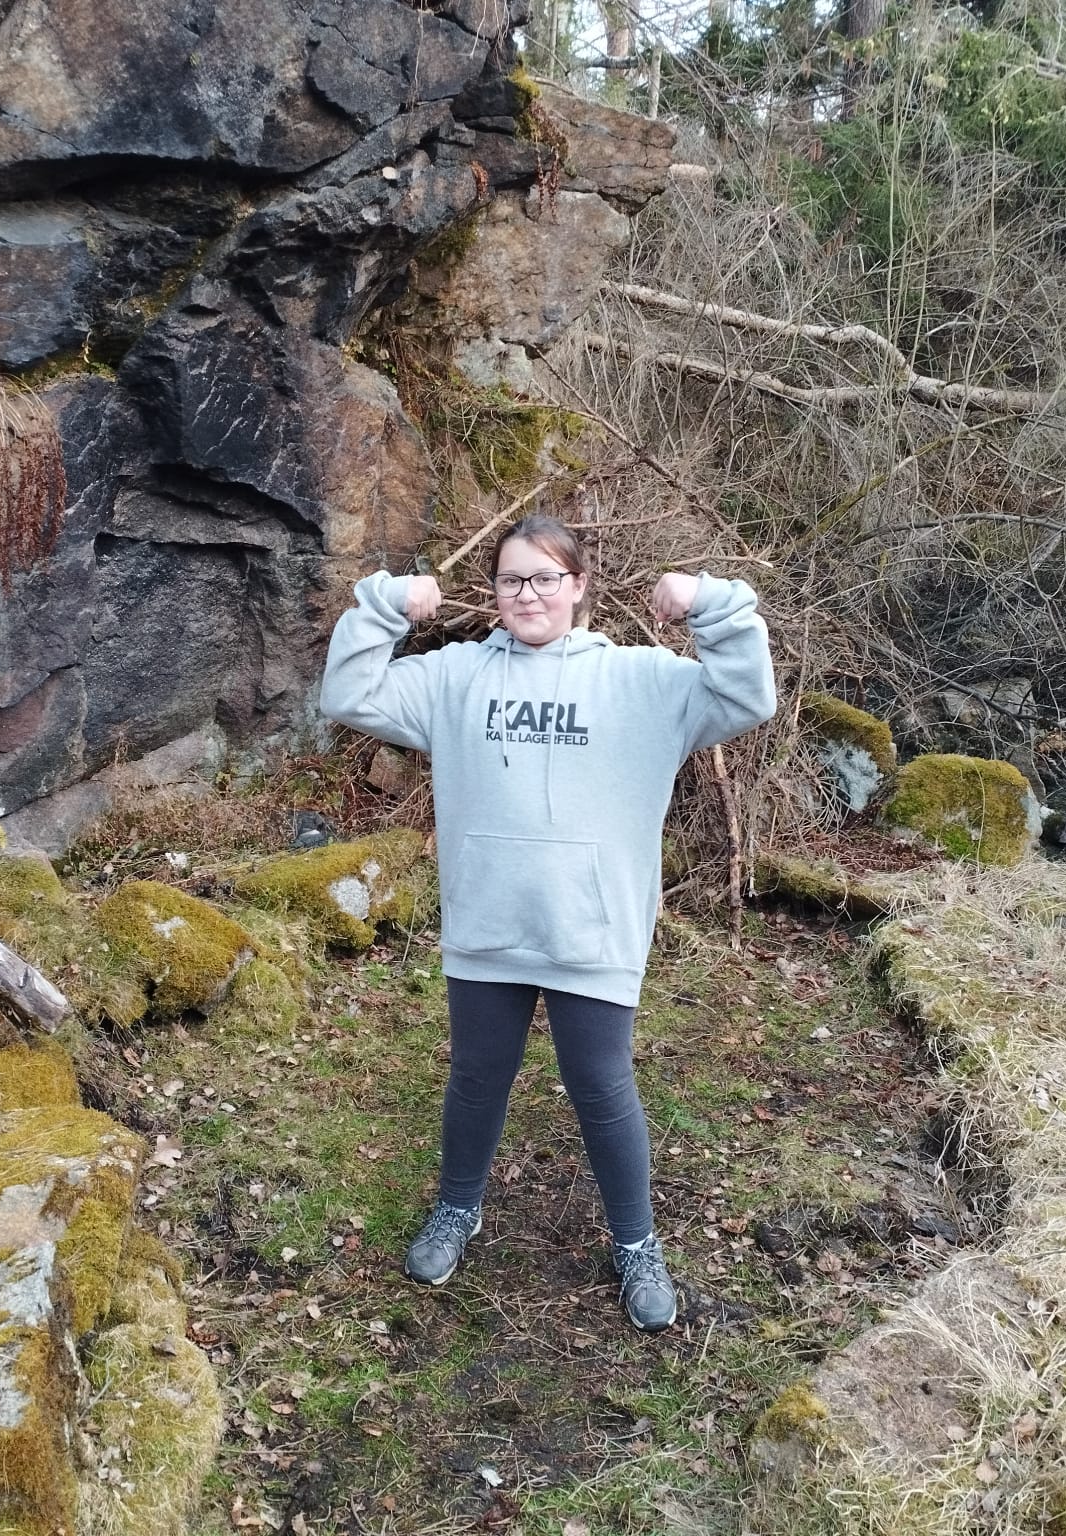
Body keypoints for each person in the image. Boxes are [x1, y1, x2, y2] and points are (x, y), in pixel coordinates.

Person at [319, 514, 776, 1331]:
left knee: (602, 1086)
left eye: (545, 578)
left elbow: (748, 694)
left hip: (590, 933)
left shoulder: (643, 682)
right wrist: (386, 605)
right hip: (488, 925)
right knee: (476, 1077)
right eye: (511, 580)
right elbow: (349, 693)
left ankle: (636, 1244)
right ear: (493, 591)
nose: (527, 594)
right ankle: (458, 1209)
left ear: (578, 586)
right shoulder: (454, 678)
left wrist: (711, 602)